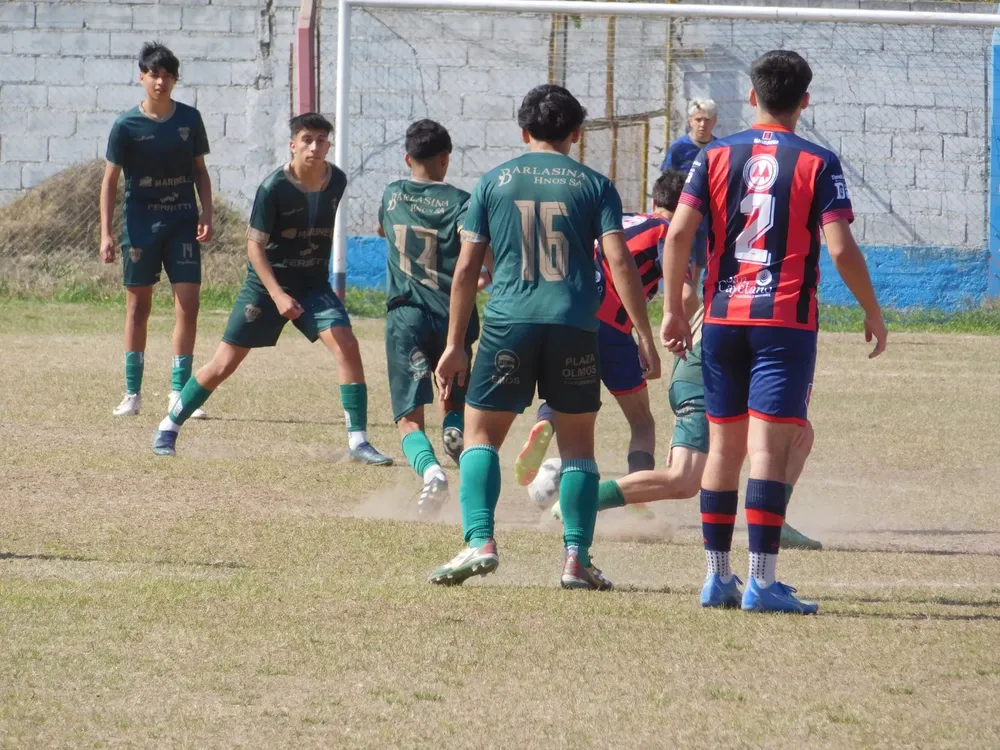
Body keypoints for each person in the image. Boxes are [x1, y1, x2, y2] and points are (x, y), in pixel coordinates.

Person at [661, 50, 887, 614]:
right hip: (783, 322)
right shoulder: (817, 160)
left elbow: (679, 233)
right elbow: (839, 246)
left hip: (721, 318)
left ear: (752, 97)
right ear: (804, 102)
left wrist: (670, 308)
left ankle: (717, 578)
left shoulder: (713, 154)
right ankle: (761, 582)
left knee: (723, 446)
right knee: (765, 450)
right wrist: (871, 309)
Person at [428, 84, 661, 590]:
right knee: (579, 447)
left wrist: (454, 344)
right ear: (578, 133)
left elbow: (466, 269)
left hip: (509, 322)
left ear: (523, 130)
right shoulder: (595, 185)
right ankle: (576, 559)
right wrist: (643, 333)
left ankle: (480, 542)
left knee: (481, 436)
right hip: (576, 325)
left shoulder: (493, 183)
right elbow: (618, 260)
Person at [150, 113, 392, 466]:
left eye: (322, 140)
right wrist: (277, 295)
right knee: (223, 364)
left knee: (347, 346)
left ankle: (358, 442)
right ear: (293, 144)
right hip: (266, 287)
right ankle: (168, 427)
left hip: (312, 285)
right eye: (307, 139)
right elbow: (254, 249)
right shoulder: (272, 188)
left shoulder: (336, 180)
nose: (315, 146)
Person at [534, 304, 823, 551]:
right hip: (706, 376)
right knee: (684, 480)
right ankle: (581, 501)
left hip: (704, 372)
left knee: (800, 433)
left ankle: (775, 521)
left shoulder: (750, 278)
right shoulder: (791, 299)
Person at [513, 170, 683, 493]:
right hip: (613, 329)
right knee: (642, 421)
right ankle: (638, 500)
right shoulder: (667, 233)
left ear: (653, 201)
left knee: (563, 393)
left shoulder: (624, 218)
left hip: (570, 314)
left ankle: (544, 424)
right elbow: (684, 290)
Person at [100, 42, 213, 419]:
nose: (160, 81)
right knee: (138, 307)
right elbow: (110, 181)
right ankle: (132, 393)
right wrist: (106, 233)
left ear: (175, 79)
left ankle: (178, 393)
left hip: (182, 222)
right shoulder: (126, 125)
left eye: (167, 75)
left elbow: (200, 170)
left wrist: (206, 212)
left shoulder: (190, 120)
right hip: (140, 225)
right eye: (153, 74)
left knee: (189, 304)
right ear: (142, 77)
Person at [377, 120, 478, 516]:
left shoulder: (390, 195)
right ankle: (454, 429)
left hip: (407, 316)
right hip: (454, 317)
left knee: (408, 418)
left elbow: (385, 234)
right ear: (445, 160)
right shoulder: (464, 202)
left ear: (408, 158)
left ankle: (432, 473)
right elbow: (479, 258)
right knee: (450, 396)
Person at [660, 99, 718, 321]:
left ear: (715, 122)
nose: (702, 124)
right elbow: (666, 182)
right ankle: (680, 312)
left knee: (702, 265)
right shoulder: (679, 148)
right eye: (698, 120)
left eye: (707, 120)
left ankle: (698, 314)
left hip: (710, 219)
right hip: (685, 217)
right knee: (684, 263)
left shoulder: (719, 148)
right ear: (690, 121)